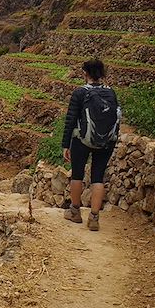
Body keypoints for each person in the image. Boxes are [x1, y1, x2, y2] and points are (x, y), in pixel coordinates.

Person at [61, 58, 121, 231]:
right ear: (102, 74)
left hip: (81, 140)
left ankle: (75, 212)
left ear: (85, 73)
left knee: (77, 175)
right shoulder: (111, 93)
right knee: (98, 177)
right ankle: (94, 218)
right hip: (106, 142)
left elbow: (71, 120)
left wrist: (66, 144)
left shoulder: (80, 93)